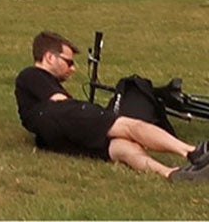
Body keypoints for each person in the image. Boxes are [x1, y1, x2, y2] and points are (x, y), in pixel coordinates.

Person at [16, 31, 209, 179]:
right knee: (129, 126)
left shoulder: (37, 86)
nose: (73, 69)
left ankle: (171, 173)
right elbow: (60, 102)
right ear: (50, 57)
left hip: (51, 141)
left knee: (122, 148)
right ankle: (193, 152)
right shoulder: (32, 74)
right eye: (69, 62)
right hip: (58, 116)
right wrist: (96, 117)